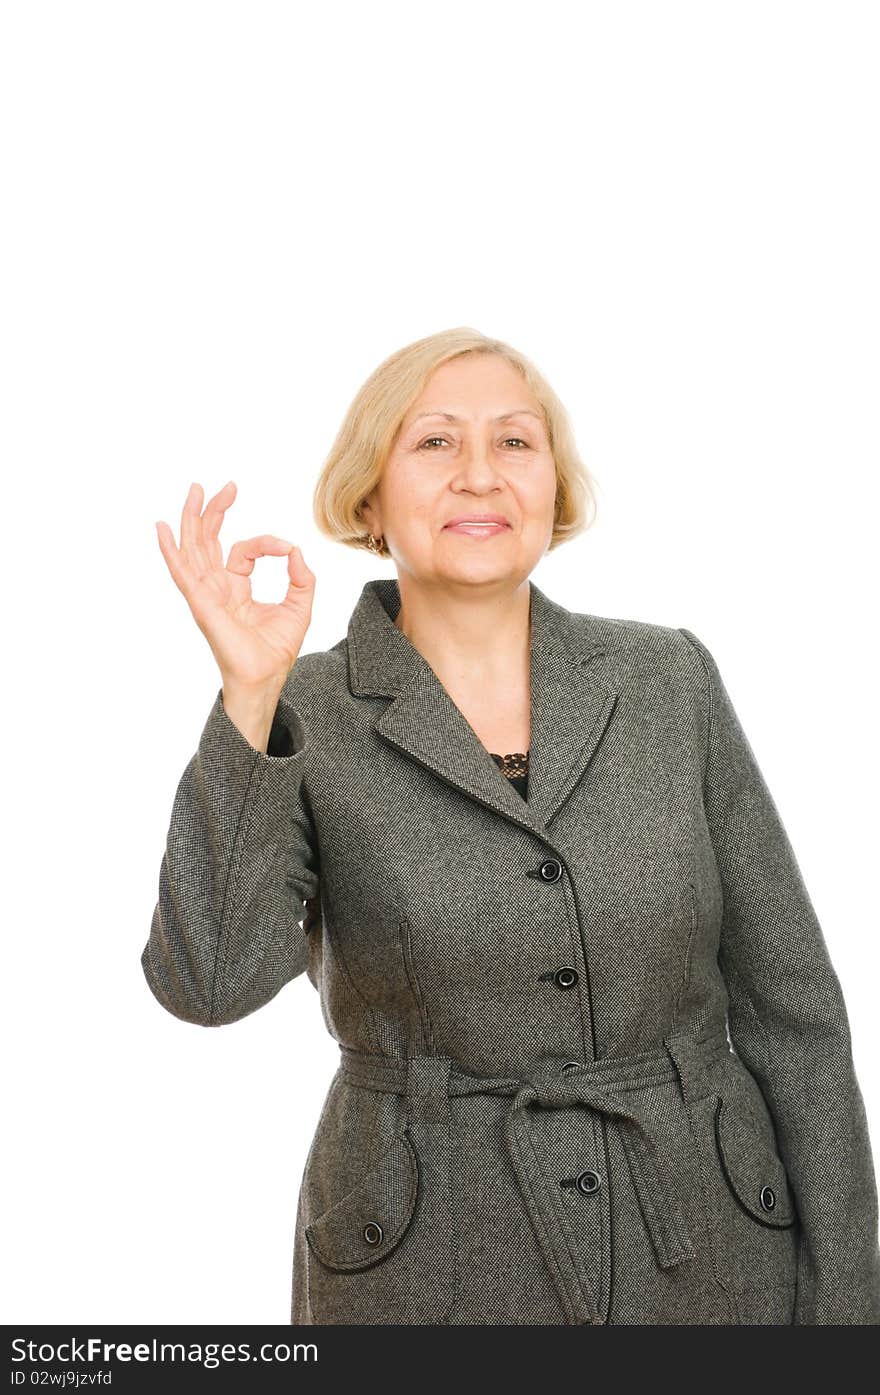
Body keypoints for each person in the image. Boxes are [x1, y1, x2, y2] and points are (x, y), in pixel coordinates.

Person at [142, 327, 880, 1325]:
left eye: (515, 443)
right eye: (436, 443)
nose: (479, 475)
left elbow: (792, 1009)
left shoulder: (667, 680)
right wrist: (249, 694)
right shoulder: (301, 708)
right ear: (368, 495)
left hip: (708, 1256)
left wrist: (847, 1310)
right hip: (427, 1261)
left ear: (554, 488)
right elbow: (210, 984)